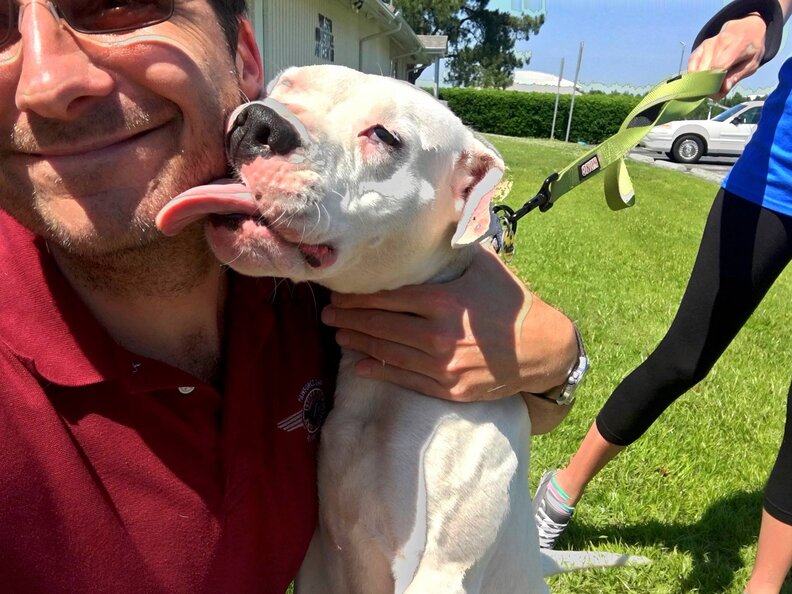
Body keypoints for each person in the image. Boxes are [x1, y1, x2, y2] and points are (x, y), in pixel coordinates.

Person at [0, 1, 581, 591]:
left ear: (245, 58)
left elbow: (533, 406)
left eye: (118, 3)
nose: (48, 82)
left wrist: (557, 357)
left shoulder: (321, 300)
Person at [533, 2, 792, 593]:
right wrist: (753, 23)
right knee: (683, 356)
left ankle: (764, 586)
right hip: (775, 174)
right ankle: (562, 490)